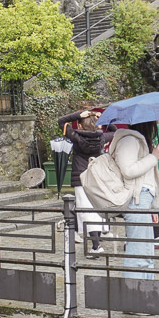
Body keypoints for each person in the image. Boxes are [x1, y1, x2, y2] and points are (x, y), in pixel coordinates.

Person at [111, 122, 159, 279]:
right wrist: (153, 157)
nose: (157, 125)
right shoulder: (129, 140)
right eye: (154, 122)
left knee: (147, 253)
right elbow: (128, 171)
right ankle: (133, 295)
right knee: (138, 252)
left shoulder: (141, 141)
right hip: (137, 199)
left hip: (144, 201)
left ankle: (146, 293)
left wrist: (153, 207)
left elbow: (147, 177)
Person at [56, 108, 111, 254]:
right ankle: (96, 242)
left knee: (86, 210)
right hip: (98, 178)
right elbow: (116, 131)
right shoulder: (102, 137)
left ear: (80, 125)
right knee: (97, 208)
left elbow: (61, 121)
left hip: (81, 177)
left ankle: (96, 245)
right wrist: (104, 118)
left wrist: (77, 115)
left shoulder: (75, 136)